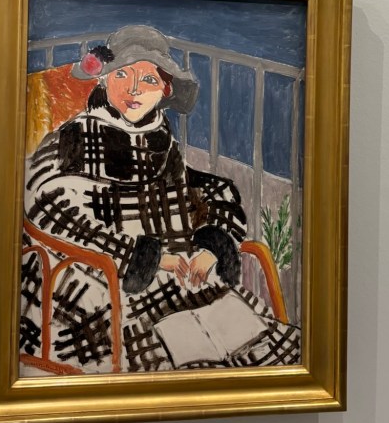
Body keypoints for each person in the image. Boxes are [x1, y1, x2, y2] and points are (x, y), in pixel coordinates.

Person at [20, 24, 300, 374]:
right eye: (122, 75)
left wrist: (213, 245)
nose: (134, 89)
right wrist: (143, 257)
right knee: (180, 343)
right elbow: (44, 205)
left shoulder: (160, 139)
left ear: (166, 89)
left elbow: (209, 190)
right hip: (93, 275)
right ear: (103, 79)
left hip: (171, 273)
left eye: (149, 80)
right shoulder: (75, 136)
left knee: (242, 334)